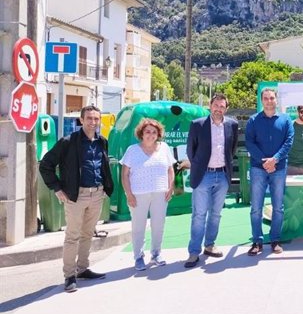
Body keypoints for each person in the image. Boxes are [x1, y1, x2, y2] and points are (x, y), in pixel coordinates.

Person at [39, 105, 114, 292]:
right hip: (76, 195)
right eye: (89, 118)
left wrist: (106, 188)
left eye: (96, 119)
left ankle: (82, 269)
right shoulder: (68, 141)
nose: (93, 122)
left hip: (97, 194)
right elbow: (46, 165)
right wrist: (56, 188)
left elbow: (103, 166)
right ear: (81, 120)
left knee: (87, 234)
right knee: (72, 236)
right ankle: (69, 276)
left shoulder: (102, 141)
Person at [184, 93, 239, 268]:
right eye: (216, 105)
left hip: (222, 175)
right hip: (203, 175)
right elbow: (190, 151)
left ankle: (209, 245)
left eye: (222, 106)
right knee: (199, 215)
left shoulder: (232, 125)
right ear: (210, 105)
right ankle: (194, 252)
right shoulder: (197, 125)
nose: (219, 109)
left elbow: (233, 148)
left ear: (226, 108)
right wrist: (199, 166)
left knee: (215, 214)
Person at [120, 118, 175, 271]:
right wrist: (129, 194)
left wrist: (170, 187)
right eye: (147, 132)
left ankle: (156, 254)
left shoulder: (164, 148)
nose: (150, 135)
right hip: (138, 195)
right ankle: (138, 257)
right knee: (138, 226)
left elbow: (170, 169)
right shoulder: (132, 150)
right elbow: (125, 175)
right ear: (141, 134)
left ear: (158, 134)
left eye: (154, 132)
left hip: (160, 193)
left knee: (158, 225)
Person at [245, 88, 294, 256]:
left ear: (276, 100)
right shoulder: (253, 120)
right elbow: (250, 143)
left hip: (279, 168)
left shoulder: (286, 120)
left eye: (271, 98)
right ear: (261, 100)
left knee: (278, 207)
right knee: (256, 208)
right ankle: (257, 241)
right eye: (265, 98)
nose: (269, 101)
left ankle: (275, 240)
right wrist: (265, 162)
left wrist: (275, 160)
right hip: (258, 168)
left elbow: (288, 142)